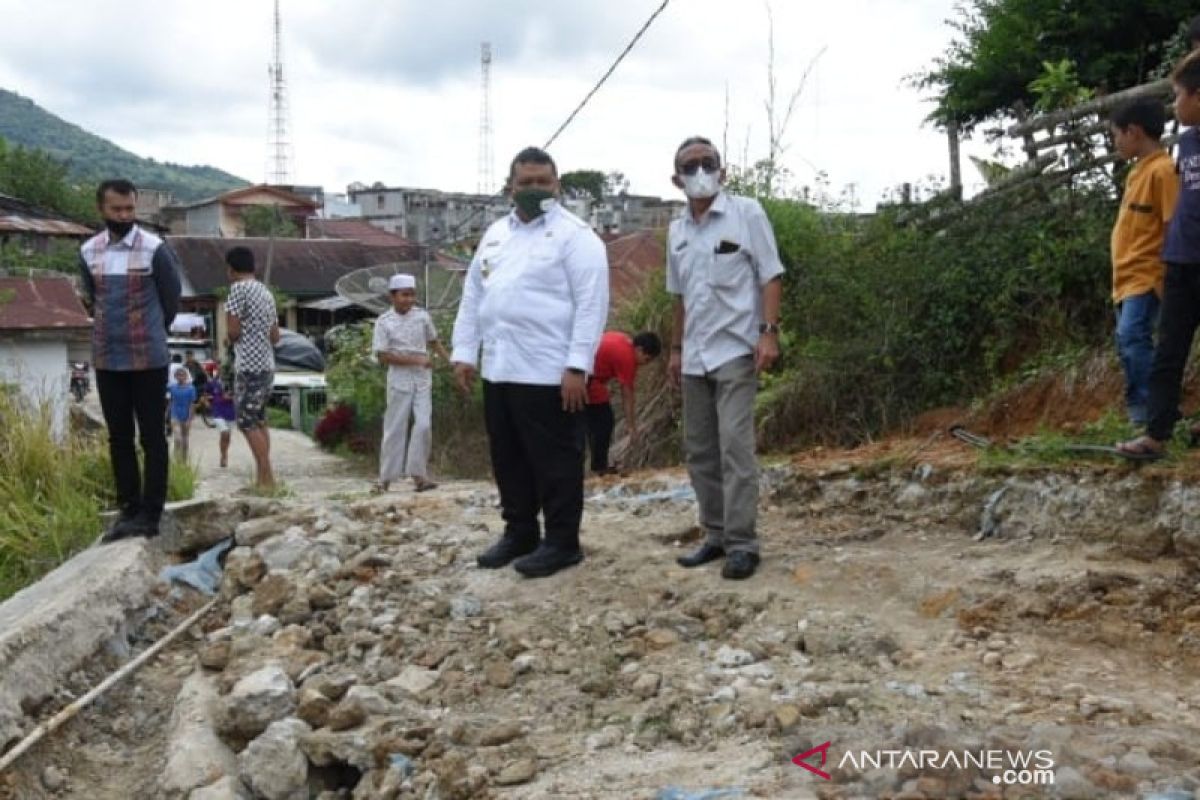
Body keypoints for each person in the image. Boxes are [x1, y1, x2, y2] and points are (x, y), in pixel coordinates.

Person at [451, 146, 609, 578]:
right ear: (510, 188)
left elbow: (591, 305)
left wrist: (578, 366)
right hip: (500, 368)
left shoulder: (577, 238)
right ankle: (519, 532)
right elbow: (474, 295)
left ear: (557, 185)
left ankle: (562, 542)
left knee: (555, 461)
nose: (535, 190)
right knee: (509, 458)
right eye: (526, 183)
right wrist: (465, 352)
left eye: (543, 182)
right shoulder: (496, 235)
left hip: (549, 371)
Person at [666, 136, 784, 580]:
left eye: (707, 162)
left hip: (736, 348)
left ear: (723, 170)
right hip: (695, 355)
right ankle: (714, 534)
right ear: (676, 178)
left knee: (735, 446)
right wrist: (676, 350)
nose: (700, 171)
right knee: (700, 451)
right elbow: (677, 297)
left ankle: (742, 543)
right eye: (690, 166)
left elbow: (771, 275)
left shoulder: (746, 213)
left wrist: (768, 334)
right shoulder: (677, 231)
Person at [79, 179, 181, 542]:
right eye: (116, 210)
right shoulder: (89, 251)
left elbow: (171, 300)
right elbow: (94, 298)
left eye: (129, 209)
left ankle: (151, 514)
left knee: (153, 437)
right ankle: (129, 510)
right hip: (107, 358)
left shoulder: (156, 249)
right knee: (119, 437)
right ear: (101, 210)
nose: (123, 216)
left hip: (148, 358)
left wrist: (151, 331)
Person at [1119, 53, 1200, 459]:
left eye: (1179, 95)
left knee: (1144, 339)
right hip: (1181, 262)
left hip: (1178, 262)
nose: (1175, 105)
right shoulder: (1186, 144)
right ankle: (1155, 434)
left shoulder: (1164, 165)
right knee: (1168, 351)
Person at [1108, 99, 1179, 427]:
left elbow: (1171, 226)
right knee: (1127, 342)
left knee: (1133, 337)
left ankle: (1156, 413)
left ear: (1134, 132)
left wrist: (1169, 274)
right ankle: (1144, 415)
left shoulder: (1163, 171)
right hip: (1125, 275)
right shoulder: (1137, 171)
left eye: (1117, 136)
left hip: (1147, 274)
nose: (1116, 143)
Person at [373, 273, 449, 493]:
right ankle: (385, 478)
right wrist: (415, 359)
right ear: (393, 296)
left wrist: (450, 362)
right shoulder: (384, 322)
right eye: (404, 295)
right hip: (399, 378)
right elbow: (383, 356)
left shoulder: (422, 317)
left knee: (424, 424)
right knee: (395, 426)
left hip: (423, 378)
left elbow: (434, 341)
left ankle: (419, 475)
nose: (409, 299)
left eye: (412, 295)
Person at [224, 246, 281, 488]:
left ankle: (267, 477)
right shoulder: (266, 292)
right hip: (267, 364)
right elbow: (276, 335)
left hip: (248, 364)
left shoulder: (237, 289)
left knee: (246, 421)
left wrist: (232, 338)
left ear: (230, 269)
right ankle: (263, 478)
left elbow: (233, 331)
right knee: (258, 420)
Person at [585, 330, 662, 474]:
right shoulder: (627, 358)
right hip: (588, 380)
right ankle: (599, 467)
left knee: (595, 423)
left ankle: (598, 464)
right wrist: (631, 426)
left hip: (584, 374)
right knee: (603, 422)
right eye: (646, 359)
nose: (644, 364)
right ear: (639, 350)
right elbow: (627, 394)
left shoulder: (621, 339)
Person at [206, 363, 236, 468]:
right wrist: (209, 404)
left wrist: (232, 398)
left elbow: (239, 396)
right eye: (219, 370)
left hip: (230, 412)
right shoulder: (212, 383)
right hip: (218, 412)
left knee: (227, 437)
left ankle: (224, 453)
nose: (221, 372)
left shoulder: (234, 384)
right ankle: (223, 456)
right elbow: (205, 395)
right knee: (224, 433)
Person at [167, 366, 196, 460]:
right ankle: (176, 457)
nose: (180, 377)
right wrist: (166, 413)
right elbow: (170, 401)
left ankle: (184, 460)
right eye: (178, 375)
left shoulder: (191, 389)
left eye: (183, 375)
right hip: (175, 415)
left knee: (185, 440)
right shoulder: (172, 387)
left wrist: (189, 419)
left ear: (186, 376)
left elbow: (192, 405)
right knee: (177, 438)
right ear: (175, 377)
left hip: (186, 415)